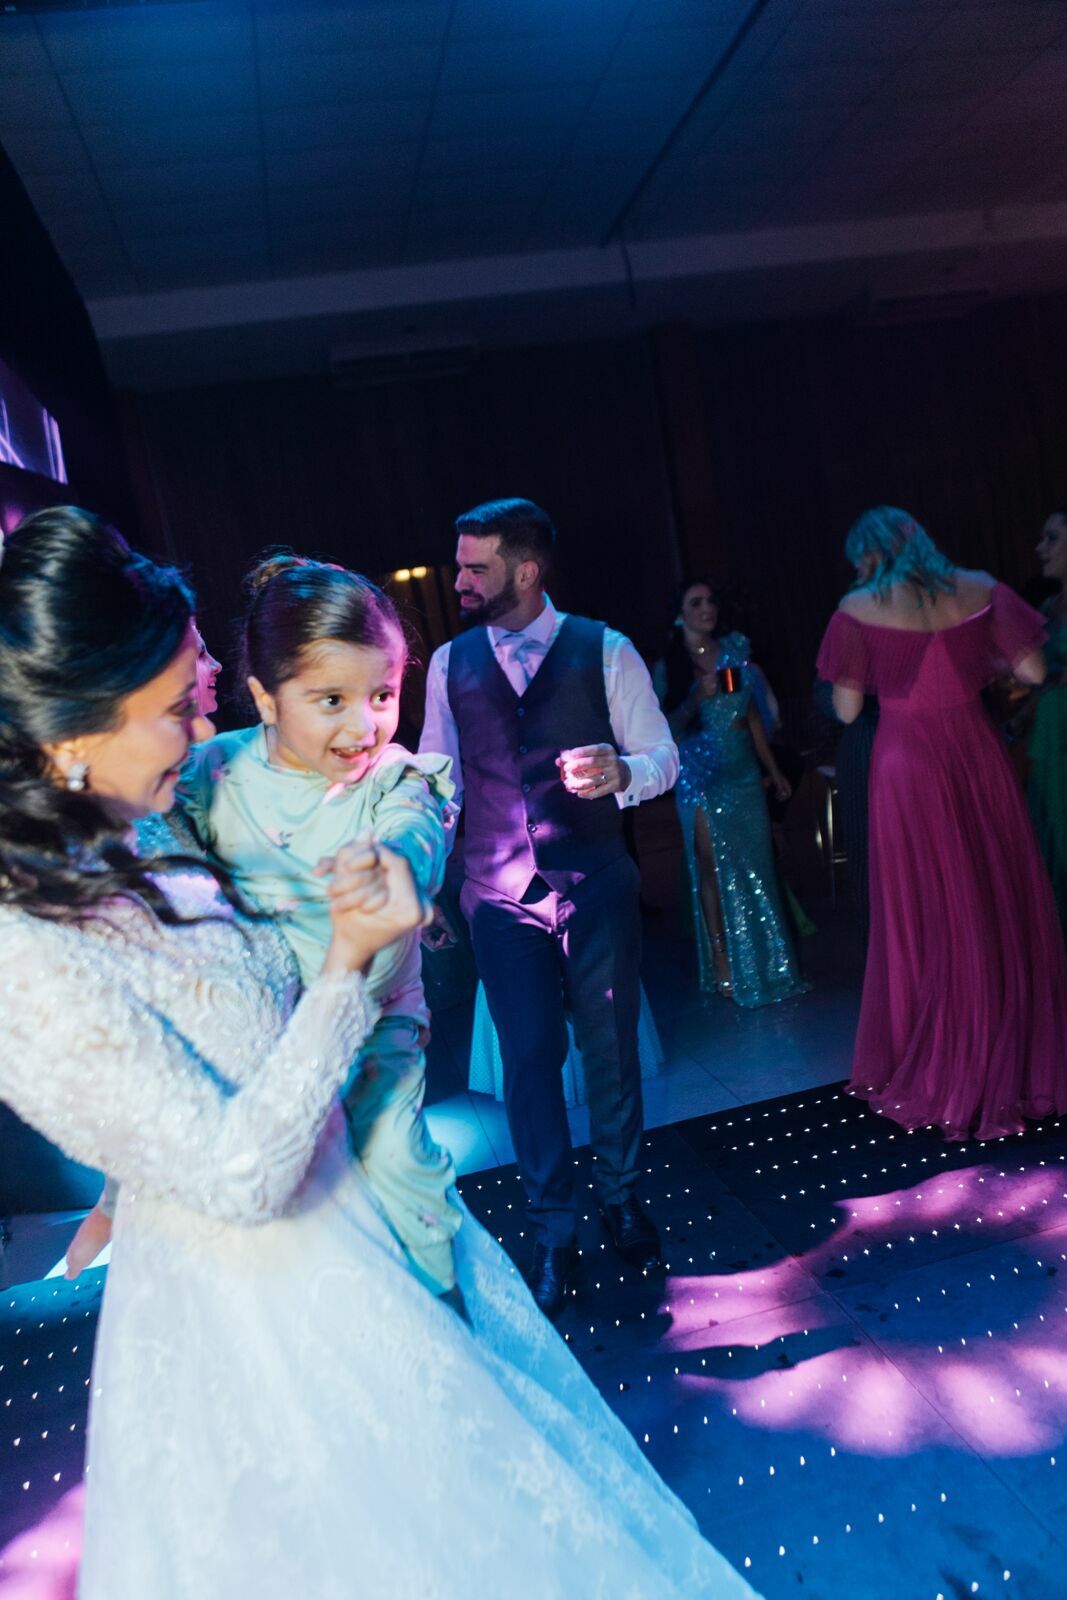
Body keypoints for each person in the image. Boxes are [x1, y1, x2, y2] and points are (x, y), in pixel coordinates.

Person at [0, 507, 762, 1600]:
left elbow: (190, 1041)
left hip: (352, 1218)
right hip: (257, 1321)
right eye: (176, 705)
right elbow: (233, 1173)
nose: (201, 708)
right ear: (73, 731)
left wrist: (127, 1167)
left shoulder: (143, 825)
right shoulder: (25, 943)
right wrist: (344, 970)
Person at [69, 554, 464, 1306]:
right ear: (266, 698)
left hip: (374, 1038)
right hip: (264, 1047)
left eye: (382, 694)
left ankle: (446, 1331)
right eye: (332, 700)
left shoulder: (395, 779)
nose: (365, 724)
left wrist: (394, 864)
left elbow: (417, 832)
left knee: (402, 1173)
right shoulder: (210, 774)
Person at [420, 498, 678, 1320]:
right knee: (528, 1062)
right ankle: (553, 1230)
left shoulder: (605, 650)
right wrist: (423, 876)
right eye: (460, 564)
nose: (459, 580)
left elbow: (663, 756)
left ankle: (622, 1194)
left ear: (526, 571)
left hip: (595, 880)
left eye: (476, 567)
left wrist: (624, 773)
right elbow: (436, 782)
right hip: (498, 898)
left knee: (607, 1050)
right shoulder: (446, 663)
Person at [817, 506, 1067, 1140]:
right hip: (975, 751)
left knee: (925, 912)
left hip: (906, 766)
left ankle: (938, 1062)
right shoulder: (981, 587)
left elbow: (847, 711)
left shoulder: (857, 608)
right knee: (994, 901)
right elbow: (1035, 670)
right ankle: (1009, 1065)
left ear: (873, 555)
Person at [653, 579, 809, 1006]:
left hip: (742, 769)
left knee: (758, 866)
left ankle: (771, 961)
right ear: (680, 614)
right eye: (696, 602)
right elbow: (663, 731)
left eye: (711, 600)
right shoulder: (670, 666)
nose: (708, 608)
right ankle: (722, 959)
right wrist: (692, 699)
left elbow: (753, 716)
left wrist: (771, 769)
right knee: (710, 868)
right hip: (701, 772)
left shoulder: (734, 649)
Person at [1028, 506, 1067, 934]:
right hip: (1051, 738)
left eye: (1052, 538)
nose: (1041, 548)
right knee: (1054, 841)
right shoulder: (1045, 607)